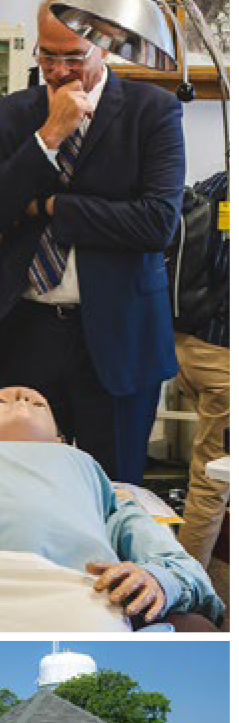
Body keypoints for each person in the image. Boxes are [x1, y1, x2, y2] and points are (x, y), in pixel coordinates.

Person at [0, 0, 184, 478]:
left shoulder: (154, 111)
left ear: (104, 47)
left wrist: (51, 207)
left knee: (114, 484)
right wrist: (49, 136)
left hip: (119, 332)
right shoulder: (13, 115)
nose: (59, 71)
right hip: (27, 330)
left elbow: (156, 224)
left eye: (73, 57)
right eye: (47, 57)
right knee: (22, 484)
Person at [0, 385, 223, 630]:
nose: (21, 397)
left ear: (60, 441)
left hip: (74, 596)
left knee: (197, 627)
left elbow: (181, 565)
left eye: (38, 404)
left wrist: (158, 579)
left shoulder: (90, 476)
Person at [172, 170, 230, 570]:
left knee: (210, 476)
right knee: (212, 482)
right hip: (221, 357)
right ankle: (186, 587)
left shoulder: (213, 185)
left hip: (186, 346)